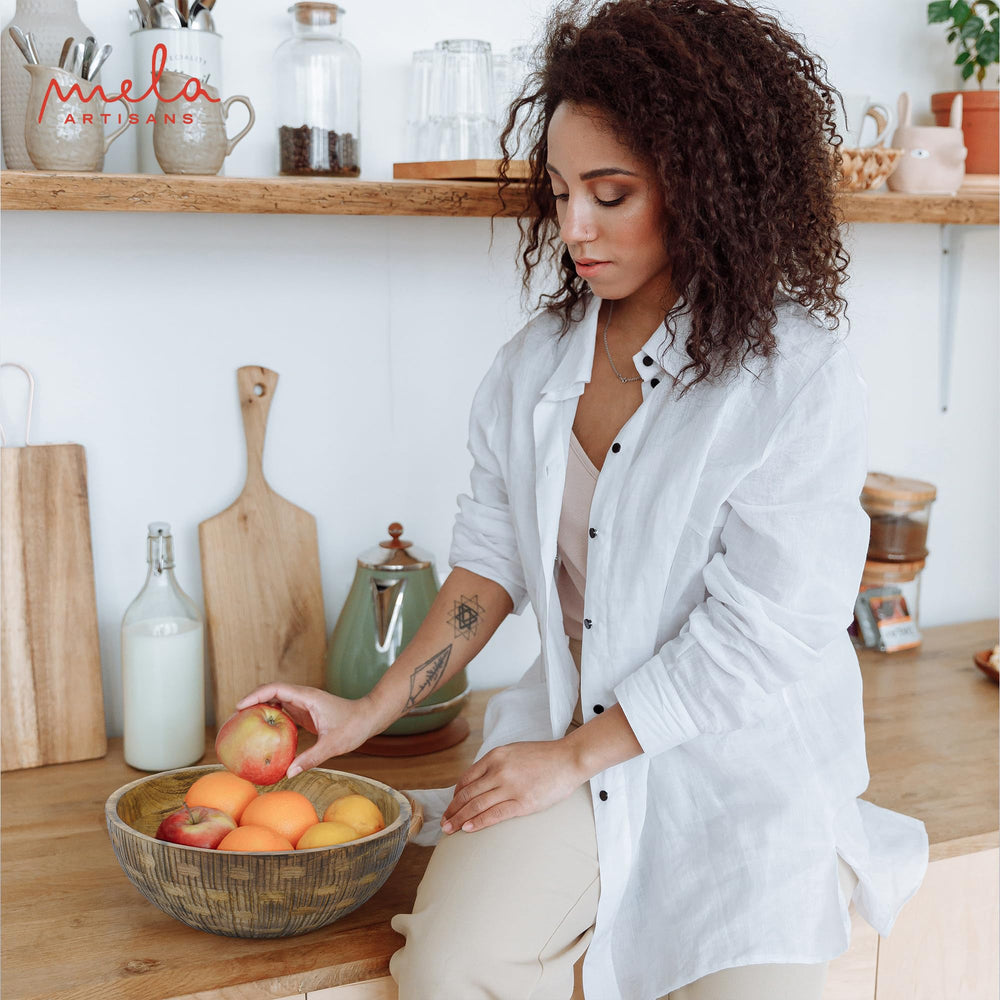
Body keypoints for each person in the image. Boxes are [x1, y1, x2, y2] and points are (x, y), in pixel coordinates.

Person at [236, 1, 929, 997]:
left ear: (703, 188)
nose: (573, 229)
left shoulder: (797, 378)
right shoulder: (531, 372)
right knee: (449, 966)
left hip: (738, 774)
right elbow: (491, 561)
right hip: (565, 740)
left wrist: (570, 759)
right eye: (560, 192)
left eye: (610, 193)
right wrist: (366, 710)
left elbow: (763, 634)